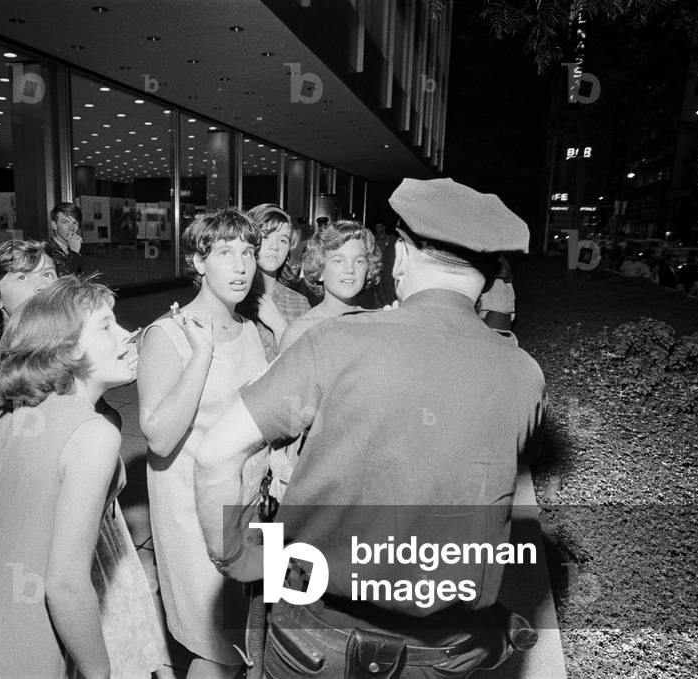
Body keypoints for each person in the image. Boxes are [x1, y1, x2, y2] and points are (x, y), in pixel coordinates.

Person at [194, 178, 547, 679]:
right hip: (448, 654)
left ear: (400, 258)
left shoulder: (335, 343)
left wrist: (235, 558)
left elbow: (214, 457)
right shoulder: (525, 375)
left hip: (316, 639)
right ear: (489, 279)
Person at [0, 276, 164, 679]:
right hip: (31, 655)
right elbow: (64, 585)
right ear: (64, 350)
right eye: (105, 326)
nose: (127, 334)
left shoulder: (16, 414)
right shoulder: (94, 434)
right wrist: (99, 672)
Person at [137, 208, 269, 679]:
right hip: (193, 513)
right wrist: (202, 355)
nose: (240, 266)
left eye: (248, 253)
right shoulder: (166, 334)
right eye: (224, 253)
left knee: (245, 639)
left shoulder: (254, 330)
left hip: (252, 503)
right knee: (216, 646)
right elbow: (158, 436)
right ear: (198, 262)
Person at [0, 239, 121, 430]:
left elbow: (109, 420)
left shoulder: (57, 352)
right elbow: (40, 450)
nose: (42, 286)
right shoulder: (0, 376)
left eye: (47, 274)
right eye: (22, 277)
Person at [278, 219, 381, 353]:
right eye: (338, 261)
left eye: (359, 261)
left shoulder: (375, 322)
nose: (350, 269)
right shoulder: (300, 332)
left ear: (368, 269)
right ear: (319, 270)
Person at [237, 203, 312, 361]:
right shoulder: (233, 298)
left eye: (283, 240)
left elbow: (304, 366)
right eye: (266, 237)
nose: (275, 247)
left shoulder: (299, 304)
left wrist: (279, 326)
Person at [477, 254, 517, 336]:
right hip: (505, 326)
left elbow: (483, 308)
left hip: (489, 326)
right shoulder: (509, 285)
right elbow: (513, 315)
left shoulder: (489, 285)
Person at [49, 202, 85, 275]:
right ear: (54, 225)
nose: (71, 228)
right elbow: (65, 282)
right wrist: (74, 254)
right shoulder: (47, 251)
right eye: (65, 222)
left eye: (75, 223)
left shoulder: (73, 247)